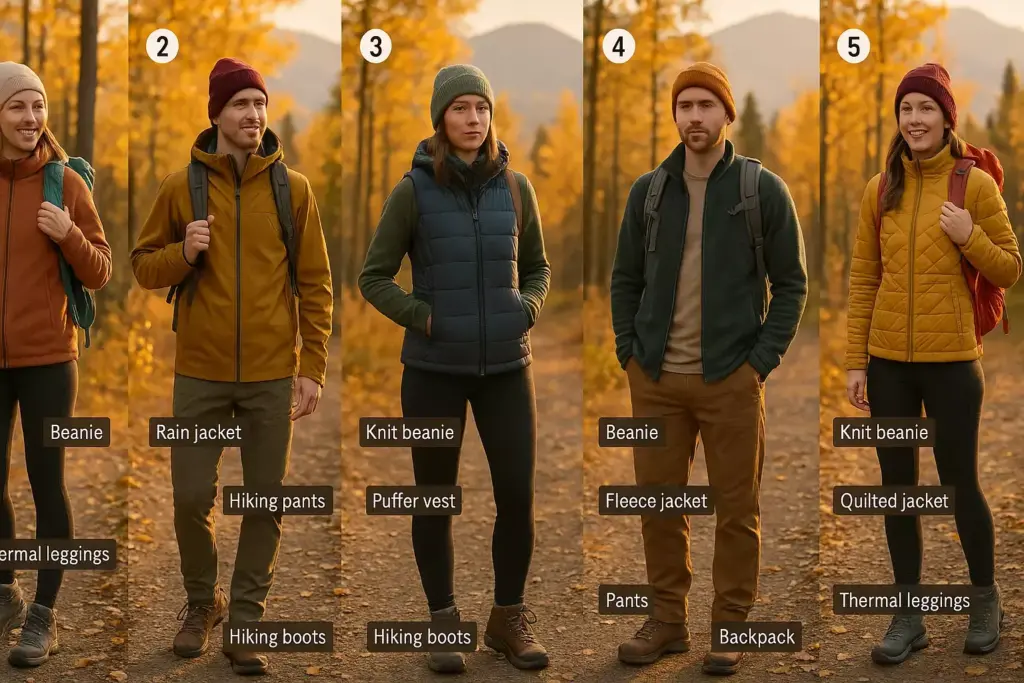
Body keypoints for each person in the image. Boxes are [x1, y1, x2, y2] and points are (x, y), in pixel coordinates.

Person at [131, 58, 333, 676]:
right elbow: (141, 266)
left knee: (264, 501)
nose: (253, 115)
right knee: (191, 497)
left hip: (273, 373)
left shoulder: (292, 189)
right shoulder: (180, 185)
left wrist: (313, 366)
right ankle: (201, 603)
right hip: (200, 372)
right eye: (240, 104)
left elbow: (316, 284)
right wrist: (183, 253)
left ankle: (246, 619)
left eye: (259, 104)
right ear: (216, 113)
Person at [610, 62, 807, 676]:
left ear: (727, 115)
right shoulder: (649, 192)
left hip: (731, 381)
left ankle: (730, 626)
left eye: (706, 105)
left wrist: (758, 364)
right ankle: (667, 623)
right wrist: (629, 353)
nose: (694, 116)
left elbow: (793, 285)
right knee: (657, 503)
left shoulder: (760, 190)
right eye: (684, 105)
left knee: (736, 507)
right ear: (674, 114)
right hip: (657, 383)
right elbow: (623, 280)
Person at [358, 64, 551, 674]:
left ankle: (507, 619)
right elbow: (372, 277)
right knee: (435, 498)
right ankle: (442, 622)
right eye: (462, 108)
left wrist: (528, 308)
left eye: (482, 109)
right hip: (432, 371)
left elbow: (539, 269)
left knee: (517, 495)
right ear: (441, 118)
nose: (473, 119)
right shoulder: (412, 191)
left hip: (506, 371)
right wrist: (425, 317)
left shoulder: (517, 189)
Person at [846, 63, 1021, 665]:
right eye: (906, 110)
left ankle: (984, 599)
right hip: (889, 365)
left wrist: (970, 235)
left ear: (947, 118)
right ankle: (908, 613)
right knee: (899, 490)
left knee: (958, 484)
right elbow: (864, 278)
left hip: (953, 365)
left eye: (926, 109)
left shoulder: (974, 186)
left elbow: (1009, 268)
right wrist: (855, 362)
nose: (914, 120)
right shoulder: (880, 187)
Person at [0, 62, 111, 667]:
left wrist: (68, 233)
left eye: (37, 106)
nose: (30, 118)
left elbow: (101, 271)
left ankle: (42, 616)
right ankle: (4, 591)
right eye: (17, 107)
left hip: (49, 358)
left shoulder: (65, 182)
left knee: (47, 483)